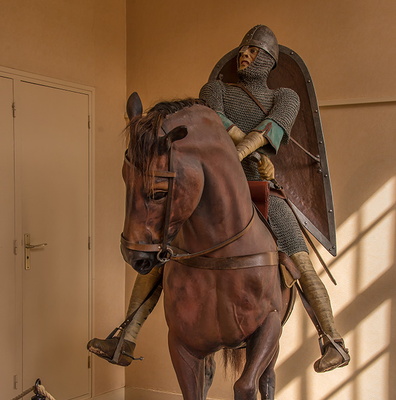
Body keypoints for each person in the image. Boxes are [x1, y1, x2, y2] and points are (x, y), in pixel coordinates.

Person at [88, 24, 349, 373]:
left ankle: (331, 339)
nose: (244, 55)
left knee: (300, 260)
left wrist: (247, 154)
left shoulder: (286, 97)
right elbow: (214, 122)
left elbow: (272, 130)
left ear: (268, 60)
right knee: (168, 249)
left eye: (253, 51)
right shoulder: (217, 90)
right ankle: (126, 335)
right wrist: (241, 153)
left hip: (262, 189)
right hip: (216, 192)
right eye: (243, 49)